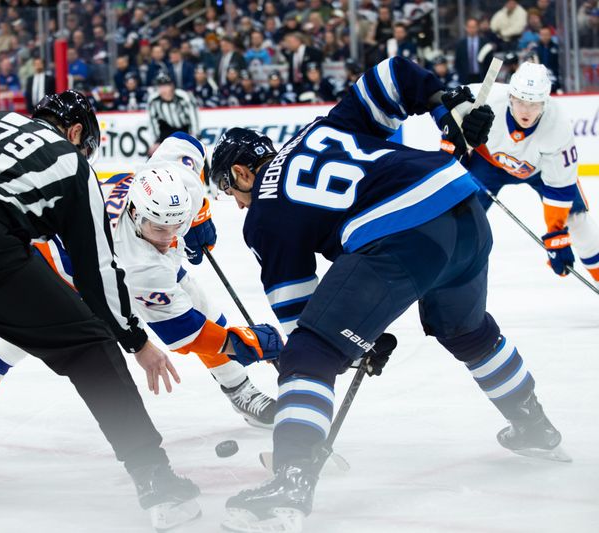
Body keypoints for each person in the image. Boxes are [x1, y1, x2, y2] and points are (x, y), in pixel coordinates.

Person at [209, 57, 569, 533]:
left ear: (241, 172)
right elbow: (394, 74)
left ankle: (290, 482)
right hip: (464, 208)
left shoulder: (263, 215)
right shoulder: (325, 125)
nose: (235, 203)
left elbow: (300, 315)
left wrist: (345, 347)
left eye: (229, 190)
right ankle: (534, 426)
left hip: (405, 235)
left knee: (308, 354)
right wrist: (446, 108)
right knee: (464, 329)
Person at [0, 91, 201, 531]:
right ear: (76, 132)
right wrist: (135, 339)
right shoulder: (72, 162)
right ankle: (155, 477)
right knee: (89, 342)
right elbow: (96, 273)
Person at [0, 133, 283, 464]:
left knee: (200, 300)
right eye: (161, 229)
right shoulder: (142, 264)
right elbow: (185, 335)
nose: (168, 237)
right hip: (61, 274)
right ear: (135, 214)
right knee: (9, 340)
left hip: (97, 253)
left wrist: (199, 214)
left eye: (177, 225)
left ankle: (239, 389)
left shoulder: (170, 186)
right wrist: (246, 343)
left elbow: (183, 142)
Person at [466, 62, 599, 283]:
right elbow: (443, 104)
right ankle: (447, 273)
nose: (526, 111)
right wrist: (450, 142)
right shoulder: (485, 97)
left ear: (545, 103)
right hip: (488, 162)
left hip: (539, 170)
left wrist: (557, 236)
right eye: (520, 102)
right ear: (510, 98)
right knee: (463, 215)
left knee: (576, 219)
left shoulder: (558, 128)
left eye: (534, 104)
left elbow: (559, 189)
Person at [147, 72, 199, 150]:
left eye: (165, 86)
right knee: (154, 156)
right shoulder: (154, 100)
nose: (162, 89)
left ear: (172, 86)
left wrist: (194, 136)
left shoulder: (183, 97)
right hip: (166, 132)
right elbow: (152, 121)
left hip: (184, 131)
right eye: (160, 86)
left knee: (198, 155)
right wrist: (156, 141)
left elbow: (193, 118)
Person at [455, 17, 494, 84]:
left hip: (481, 77)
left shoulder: (485, 42)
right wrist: (461, 76)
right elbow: (458, 62)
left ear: (478, 27)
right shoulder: (460, 44)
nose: (471, 29)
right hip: (466, 78)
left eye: (474, 27)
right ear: (466, 28)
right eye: (469, 27)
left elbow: (490, 61)